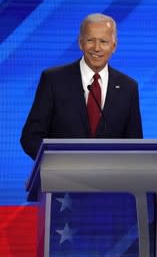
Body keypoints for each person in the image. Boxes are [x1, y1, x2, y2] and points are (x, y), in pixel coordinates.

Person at [20, 13, 143, 160]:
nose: (96, 48)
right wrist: (55, 164)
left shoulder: (128, 87)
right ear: (81, 43)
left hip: (109, 181)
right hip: (60, 179)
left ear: (114, 46)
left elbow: (135, 146)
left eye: (103, 41)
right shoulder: (53, 80)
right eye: (90, 40)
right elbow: (30, 137)